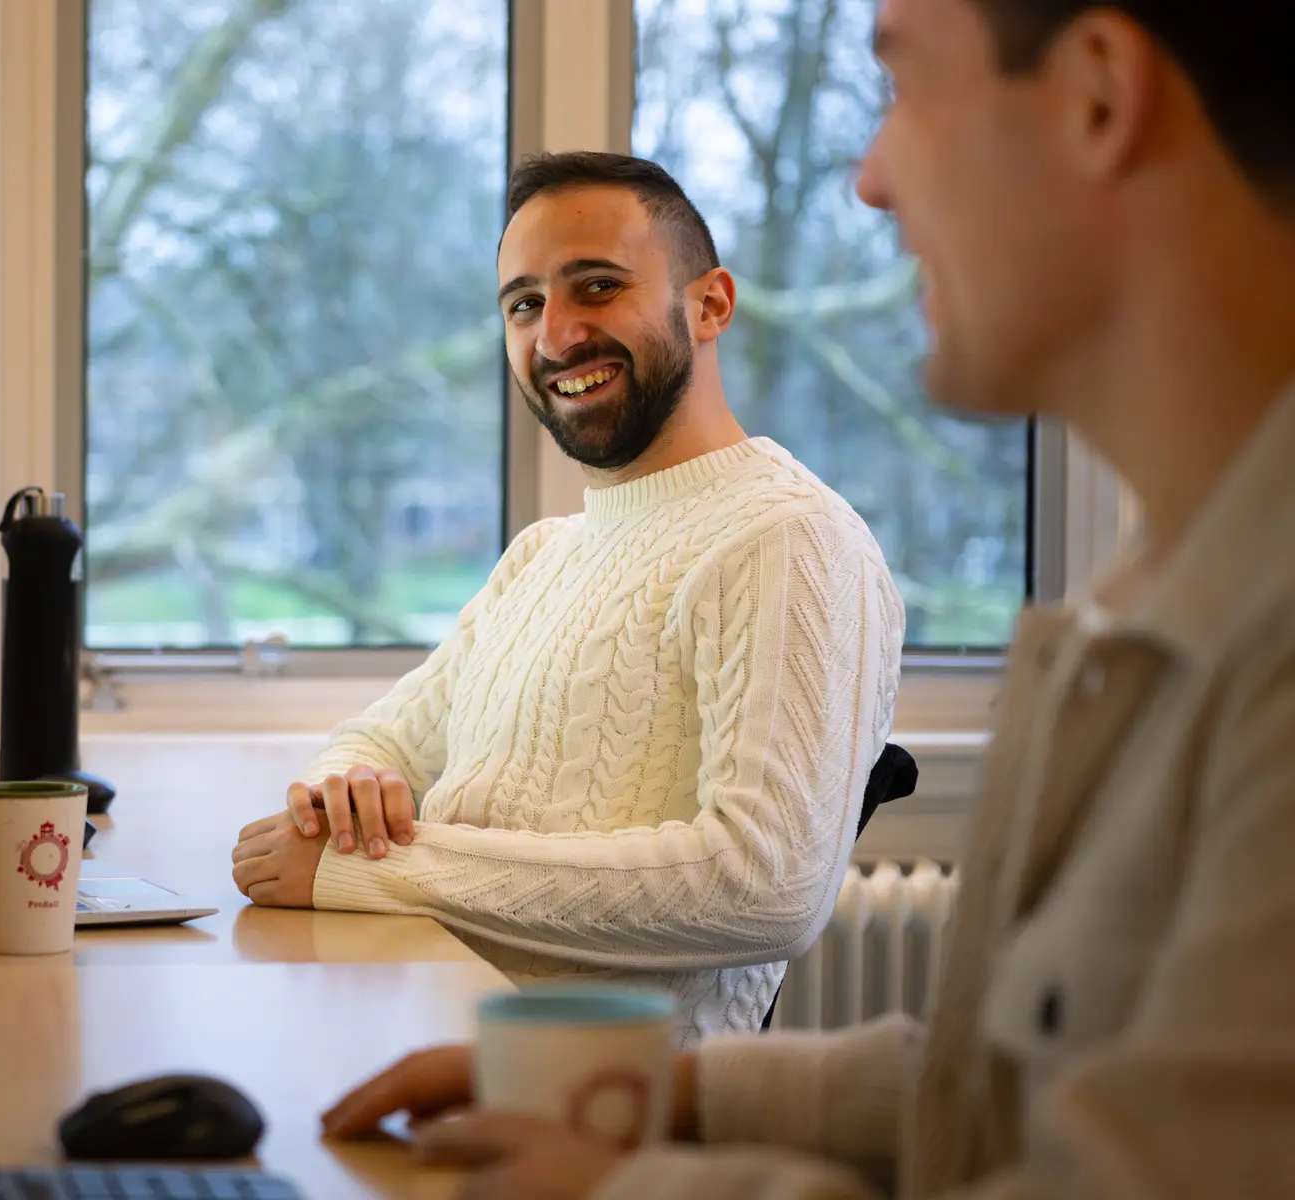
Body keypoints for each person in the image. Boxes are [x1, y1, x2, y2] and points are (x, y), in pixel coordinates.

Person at [319, 0, 1295, 1196]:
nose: (873, 181)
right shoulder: (1147, 596)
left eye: (906, 87)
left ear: (1096, 97)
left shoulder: (1255, 633)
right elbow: (997, 1090)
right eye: (525, 302)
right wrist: (649, 1103)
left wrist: (617, 1179)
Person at [231, 151, 905, 1043]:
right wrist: (339, 797)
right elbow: (380, 738)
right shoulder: (544, 554)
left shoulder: (789, 538)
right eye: (524, 304)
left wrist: (372, 870)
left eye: (596, 287)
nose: (555, 337)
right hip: (429, 1041)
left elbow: (765, 882)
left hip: (604, 1121)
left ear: (711, 305)